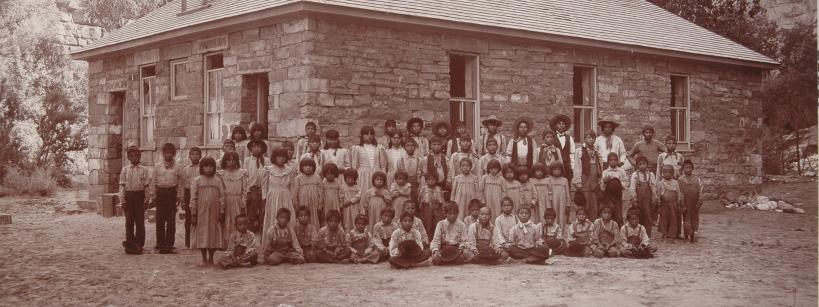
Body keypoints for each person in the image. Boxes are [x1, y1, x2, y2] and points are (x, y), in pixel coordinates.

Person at [190, 156, 226, 266]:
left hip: (214, 213)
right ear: (202, 168)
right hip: (201, 213)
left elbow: (222, 197)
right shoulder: (197, 181)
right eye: (206, 166)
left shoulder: (218, 181)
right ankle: (204, 258)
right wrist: (193, 213)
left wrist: (221, 211)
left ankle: (211, 258)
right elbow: (193, 198)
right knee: (203, 234)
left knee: (212, 235)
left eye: (211, 166)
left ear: (214, 168)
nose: (208, 169)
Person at [151, 143, 184, 254]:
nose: (168, 154)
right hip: (160, 193)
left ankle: (169, 244)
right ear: (163, 153)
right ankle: (160, 244)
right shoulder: (157, 166)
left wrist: (179, 196)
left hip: (171, 194)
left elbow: (180, 182)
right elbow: (153, 181)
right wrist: (153, 195)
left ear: (174, 154)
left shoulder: (178, 167)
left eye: (170, 152)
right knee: (160, 220)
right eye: (166, 152)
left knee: (171, 221)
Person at [260, 148, 295, 252]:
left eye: (283, 157)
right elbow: (264, 186)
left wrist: (293, 200)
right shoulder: (268, 169)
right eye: (278, 157)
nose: (281, 159)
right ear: (274, 158)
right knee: (273, 218)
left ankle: (288, 245)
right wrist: (264, 199)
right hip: (272, 197)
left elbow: (292, 187)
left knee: (286, 218)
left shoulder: (289, 170)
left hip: (285, 197)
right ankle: (271, 246)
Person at [119, 145, 151, 255]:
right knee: (129, 222)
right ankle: (130, 244)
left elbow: (147, 186)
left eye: (136, 156)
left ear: (139, 156)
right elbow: (122, 186)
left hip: (139, 196)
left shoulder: (144, 170)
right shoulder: (125, 170)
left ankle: (139, 245)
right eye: (132, 156)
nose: (134, 158)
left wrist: (146, 200)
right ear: (128, 157)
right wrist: (122, 200)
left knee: (140, 222)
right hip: (129, 197)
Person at [218, 151, 247, 247]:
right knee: (227, 221)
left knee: (237, 220)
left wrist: (243, 203)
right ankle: (226, 243)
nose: (231, 162)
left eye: (233, 160)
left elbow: (244, 190)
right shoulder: (221, 174)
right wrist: (221, 204)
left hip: (237, 200)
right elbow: (220, 190)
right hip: (226, 200)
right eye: (229, 160)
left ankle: (238, 242)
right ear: (225, 161)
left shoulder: (241, 173)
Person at [572, 131, 602, 221]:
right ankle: (584, 224)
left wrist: (600, 180)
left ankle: (593, 224)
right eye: (589, 137)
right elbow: (577, 166)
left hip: (594, 180)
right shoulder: (580, 151)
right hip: (584, 179)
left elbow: (599, 167)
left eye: (593, 138)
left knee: (594, 203)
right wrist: (578, 182)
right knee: (585, 202)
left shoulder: (596, 152)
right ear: (585, 139)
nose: (591, 139)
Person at [351, 126, 388, 196]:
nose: (369, 136)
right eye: (366, 134)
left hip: (376, 175)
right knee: (363, 194)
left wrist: (383, 177)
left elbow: (383, 166)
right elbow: (354, 166)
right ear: (362, 136)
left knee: (376, 194)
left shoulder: (379, 147)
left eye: (371, 134)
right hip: (363, 176)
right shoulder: (357, 148)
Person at [629, 156, 658, 237]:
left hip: (648, 200)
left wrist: (654, 197)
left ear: (647, 164)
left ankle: (647, 234)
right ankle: (637, 233)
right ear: (637, 166)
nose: (642, 166)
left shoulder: (651, 174)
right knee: (637, 215)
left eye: (644, 163)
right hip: (638, 200)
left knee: (648, 216)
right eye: (640, 164)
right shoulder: (635, 175)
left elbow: (653, 186)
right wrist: (634, 198)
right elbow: (632, 187)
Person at [243, 140, 269, 233]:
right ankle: (250, 234)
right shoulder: (248, 160)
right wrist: (248, 191)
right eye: (254, 147)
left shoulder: (266, 161)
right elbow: (246, 176)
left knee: (263, 212)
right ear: (251, 149)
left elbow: (267, 177)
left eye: (259, 146)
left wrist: (265, 192)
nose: (256, 148)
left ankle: (263, 233)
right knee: (251, 213)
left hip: (263, 190)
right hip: (252, 190)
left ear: (263, 149)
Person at [182, 147, 202, 247]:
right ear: (189, 156)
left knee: (200, 217)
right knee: (189, 218)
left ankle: (199, 241)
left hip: (200, 194)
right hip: (188, 193)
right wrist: (183, 200)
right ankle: (188, 242)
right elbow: (183, 184)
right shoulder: (185, 169)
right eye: (193, 154)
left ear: (200, 156)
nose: (195, 156)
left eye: (197, 154)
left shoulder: (202, 168)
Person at [293, 158, 323, 227]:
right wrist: (296, 205)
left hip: (314, 203)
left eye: (310, 166)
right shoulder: (298, 178)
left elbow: (321, 193)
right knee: (303, 216)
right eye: (306, 166)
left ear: (314, 167)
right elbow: (295, 194)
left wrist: (320, 206)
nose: (308, 167)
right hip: (303, 202)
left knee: (314, 217)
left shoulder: (317, 177)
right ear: (301, 167)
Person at [601, 152, 628, 225]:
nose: (613, 162)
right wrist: (606, 180)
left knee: (618, 214)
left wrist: (618, 181)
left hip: (618, 196)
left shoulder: (621, 172)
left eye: (615, 160)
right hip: (608, 196)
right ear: (608, 161)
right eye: (611, 160)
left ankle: (618, 230)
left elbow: (626, 185)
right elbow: (602, 187)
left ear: (618, 161)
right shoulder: (605, 172)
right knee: (608, 212)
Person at [679, 159, 703, 243]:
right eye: (686, 168)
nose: (688, 169)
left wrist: (699, 201)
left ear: (692, 169)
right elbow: (681, 192)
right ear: (683, 169)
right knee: (686, 219)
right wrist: (682, 204)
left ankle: (693, 233)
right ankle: (686, 234)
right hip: (686, 202)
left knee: (694, 218)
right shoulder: (681, 180)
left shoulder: (696, 179)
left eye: (689, 168)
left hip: (694, 202)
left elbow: (700, 191)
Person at [657, 165, 683, 241]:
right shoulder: (660, 183)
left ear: (672, 173)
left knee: (673, 219)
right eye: (665, 172)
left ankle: (672, 234)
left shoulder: (675, 183)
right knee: (664, 219)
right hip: (664, 204)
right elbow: (658, 194)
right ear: (662, 173)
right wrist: (658, 203)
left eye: (669, 172)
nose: (667, 174)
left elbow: (678, 193)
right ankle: (664, 233)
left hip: (673, 205)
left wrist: (679, 201)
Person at [419, 172, 445, 242]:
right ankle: (428, 240)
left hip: (437, 209)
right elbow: (420, 199)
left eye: (433, 179)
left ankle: (437, 240)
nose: (431, 181)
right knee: (428, 224)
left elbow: (442, 200)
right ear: (426, 180)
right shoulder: (423, 189)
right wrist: (421, 210)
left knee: (437, 224)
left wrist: (443, 210)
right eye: (429, 179)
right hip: (427, 208)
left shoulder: (439, 189)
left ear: (436, 180)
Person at [546, 161, 571, 233]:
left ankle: (561, 233)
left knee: (561, 217)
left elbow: (567, 194)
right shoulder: (549, 180)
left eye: (559, 169)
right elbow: (548, 192)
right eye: (555, 169)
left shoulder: (564, 180)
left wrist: (568, 205)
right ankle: (552, 232)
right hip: (552, 202)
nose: (557, 171)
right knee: (553, 216)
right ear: (551, 170)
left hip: (562, 202)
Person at [550, 114, 576, 182]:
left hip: (567, 166)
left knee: (567, 184)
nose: (561, 125)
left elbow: (572, 153)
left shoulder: (569, 138)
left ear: (565, 126)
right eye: (559, 124)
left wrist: (572, 166)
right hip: (555, 165)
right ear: (555, 125)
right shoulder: (551, 137)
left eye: (563, 124)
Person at [397, 137, 423, 203]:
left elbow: (420, 173)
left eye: (412, 145)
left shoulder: (419, 159)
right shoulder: (401, 159)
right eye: (407, 146)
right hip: (404, 184)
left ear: (415, 146)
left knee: (416, 201)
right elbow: (399, 173)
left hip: (416, 184)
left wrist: (419, 181)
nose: (410, 147)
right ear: (404, 147)